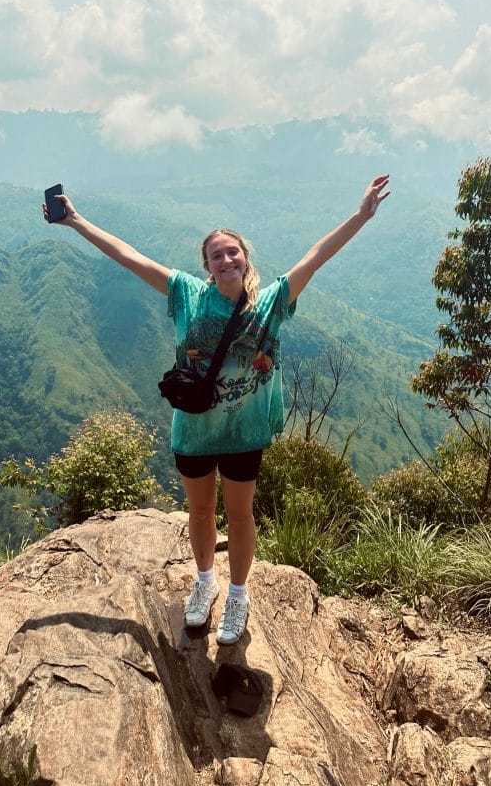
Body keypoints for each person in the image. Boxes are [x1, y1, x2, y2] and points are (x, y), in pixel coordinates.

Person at [44, 174, 390, 644]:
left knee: (241, 514)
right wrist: (77, 221)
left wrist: (361, 215)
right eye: (216, 255)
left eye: (232, 252)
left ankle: (239, 593)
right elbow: (130, 258)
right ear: (207, 266)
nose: (226, 259)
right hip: (195, 431)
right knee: (201, 512)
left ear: (245, 258)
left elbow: (316, 256)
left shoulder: (272, 303)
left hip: (245, 434)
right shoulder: (187, 293)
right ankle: (205, 582)